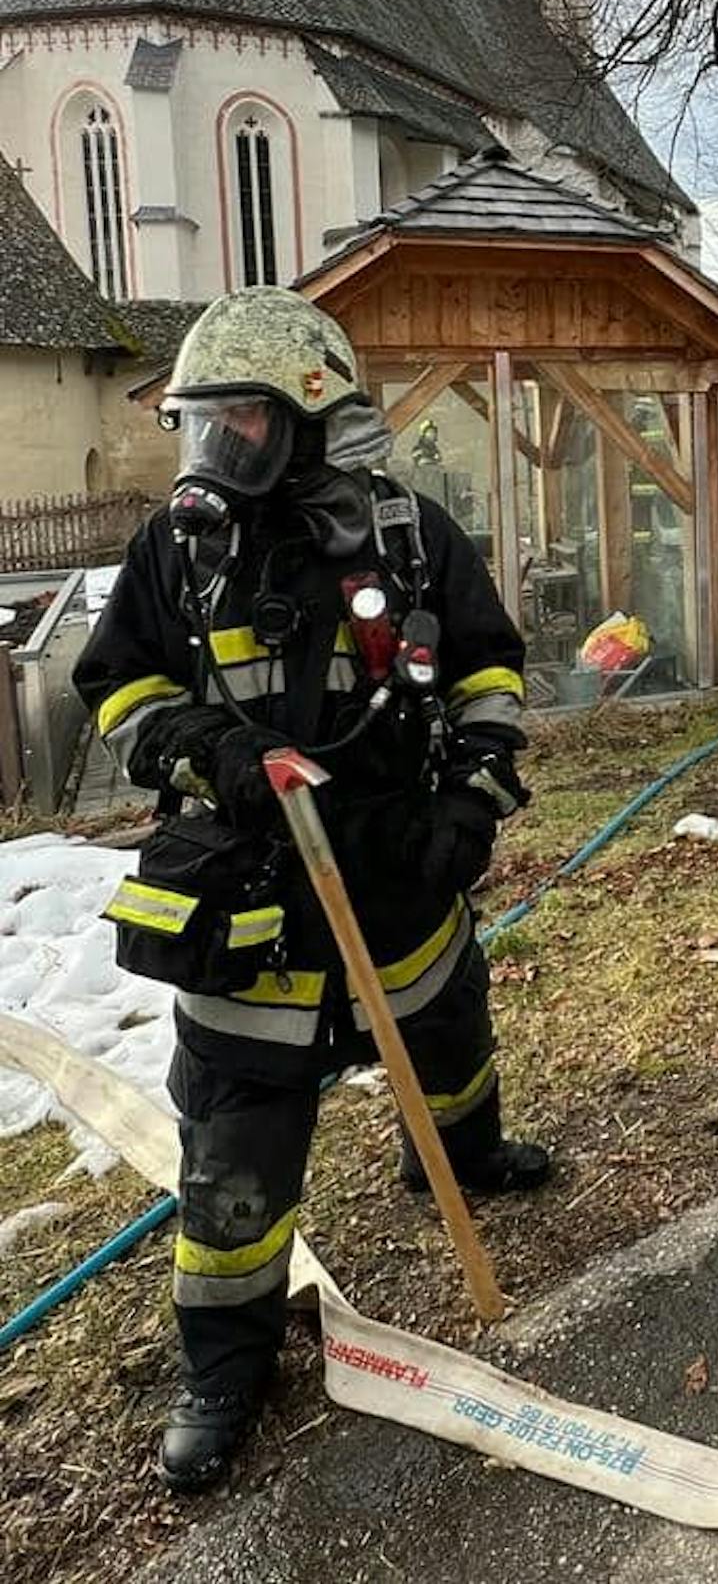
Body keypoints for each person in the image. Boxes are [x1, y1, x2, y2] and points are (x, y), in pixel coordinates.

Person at [74, 287, 551, 1494]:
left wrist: (473, 796)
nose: (213, 451)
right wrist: (213, 750)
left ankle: (464, 1154)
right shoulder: (176, 551)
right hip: (250, 892)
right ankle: (225, 1364)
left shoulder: (411, 536)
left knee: (446, 1027)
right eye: (202, 424)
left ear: (317, 421)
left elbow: (490, 664)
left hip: (396, 866)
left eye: (239, 422)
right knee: (235, 1145)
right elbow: (116, 687)